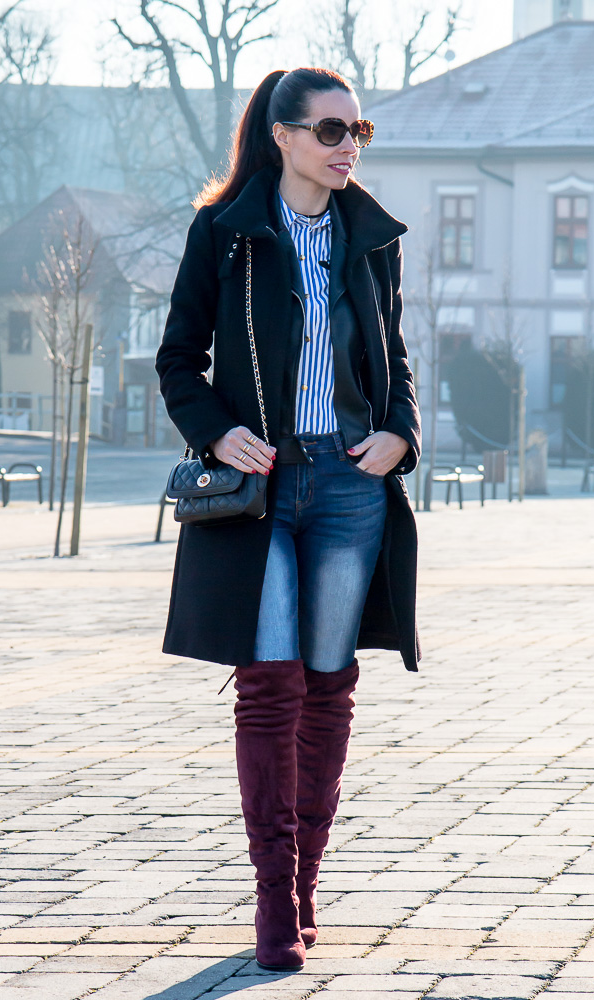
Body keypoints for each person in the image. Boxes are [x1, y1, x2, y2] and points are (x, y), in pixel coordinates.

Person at [156, 66, 421, 972]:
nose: (349, 145)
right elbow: (179, 359)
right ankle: (274, 903)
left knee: (326, 687)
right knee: (268, 689)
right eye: (331, 130)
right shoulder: (225, 235)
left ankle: (307, 879)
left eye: (359, 131)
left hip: (349, 488)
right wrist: (216, 431)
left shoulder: (370, 238)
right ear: (282, 135)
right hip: (260, 492)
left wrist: (399, 434)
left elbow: (395, 357)